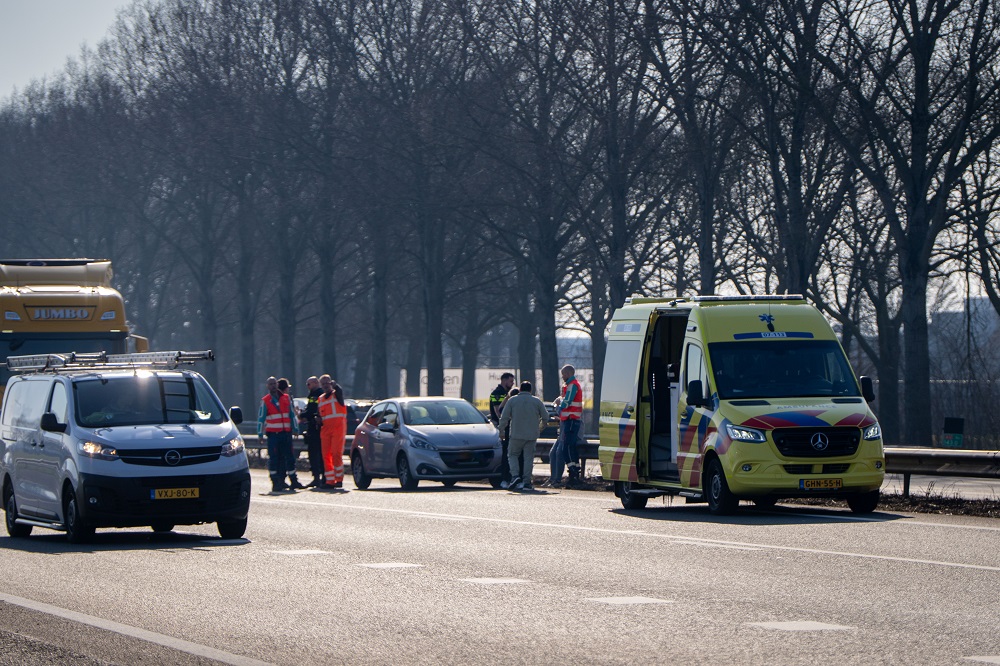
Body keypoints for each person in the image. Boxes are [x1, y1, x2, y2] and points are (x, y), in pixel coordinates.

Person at [497, 381, 548, 491]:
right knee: (528, 458)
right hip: (531, 435)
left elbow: (504, 417)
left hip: (516, 434)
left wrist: (501, 430)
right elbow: (545, 417)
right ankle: (526, 482)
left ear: (520, 389)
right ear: (530, 390)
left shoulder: (512, 400)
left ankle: (515, 476)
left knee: (512, 455)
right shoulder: (537, 401)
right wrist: (539, 428)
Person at [257, 376, 301, 492]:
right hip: (273, 435)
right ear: (267, 386)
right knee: (275, 459)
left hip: (286, 433)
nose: (273, 386)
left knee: (290, 457)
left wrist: (295, 428)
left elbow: (291, 414)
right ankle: (276, 482)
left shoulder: (286, 398)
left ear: (277, 384)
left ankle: (293, 480)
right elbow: (261, 418)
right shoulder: (265, 400)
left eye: (274, 383)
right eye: (270, 384)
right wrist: (260, 434)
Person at [544, 364, 585, 489]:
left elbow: (566, 403)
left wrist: (557, 407)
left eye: (563, 374)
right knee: (554, 453)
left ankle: (560, 479)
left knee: (561, 451)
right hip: (565, 422)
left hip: (570, 421)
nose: (562, 377)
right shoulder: (568, 386)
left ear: (567, 374)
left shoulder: (573, 386)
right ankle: (554, 479)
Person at [317, 374, 348, 490]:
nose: (325, 385)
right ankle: (330, 481)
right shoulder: (320, 399)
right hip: (325, 430)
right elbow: (320, 415)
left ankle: (339, 479)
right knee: (326, 456)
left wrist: (336, 385)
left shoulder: (337, 395)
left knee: (336, 453)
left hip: (338, 429)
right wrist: (318, 420)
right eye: (323, 383)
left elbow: (339, 390)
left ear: (331, 383)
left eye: (327, 383)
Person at [489, 372, 516, 484]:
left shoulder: (507, 393)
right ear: (504, 381)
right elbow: (498, 411)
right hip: (502, 426)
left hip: (508, 426)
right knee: (505, 453)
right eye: (510, 381)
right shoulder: (497, 393)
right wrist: (504, 424)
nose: (512, 383)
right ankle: (504, 477)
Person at [299, 375, 324, 488]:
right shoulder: (314, 395)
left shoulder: (316, 394)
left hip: (316, 429)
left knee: (315, 454)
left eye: (308, 384)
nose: (307, 387)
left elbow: (312, 410)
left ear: (315, 383)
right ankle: (319, 477)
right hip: (314, 428)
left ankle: (319, 478)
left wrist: (302, 414)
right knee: (316, 454)